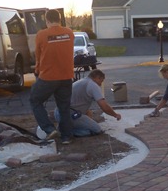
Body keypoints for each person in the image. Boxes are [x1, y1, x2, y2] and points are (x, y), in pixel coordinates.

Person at [29, 9, 74, 144]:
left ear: (47, 20)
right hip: (66, 76)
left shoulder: (41, 34)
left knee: (35, 100)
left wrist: (37, 70)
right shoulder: (69, 33)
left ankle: (49, 129)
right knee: (64, 106)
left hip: (48, 77)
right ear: (59, 19)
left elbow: (38, 56)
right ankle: (66, 137)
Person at [53, 69, 121, 137]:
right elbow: (104, 106)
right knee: (96, 130)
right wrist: (115, 115)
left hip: (59, 112)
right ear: (97, 78)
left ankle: (64, 126)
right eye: (101, 81)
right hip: (69, 115)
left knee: (89, 112)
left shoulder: (82, 81)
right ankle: (64, 131)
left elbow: (79, 102)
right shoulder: (93, 85)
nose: (100, 84)